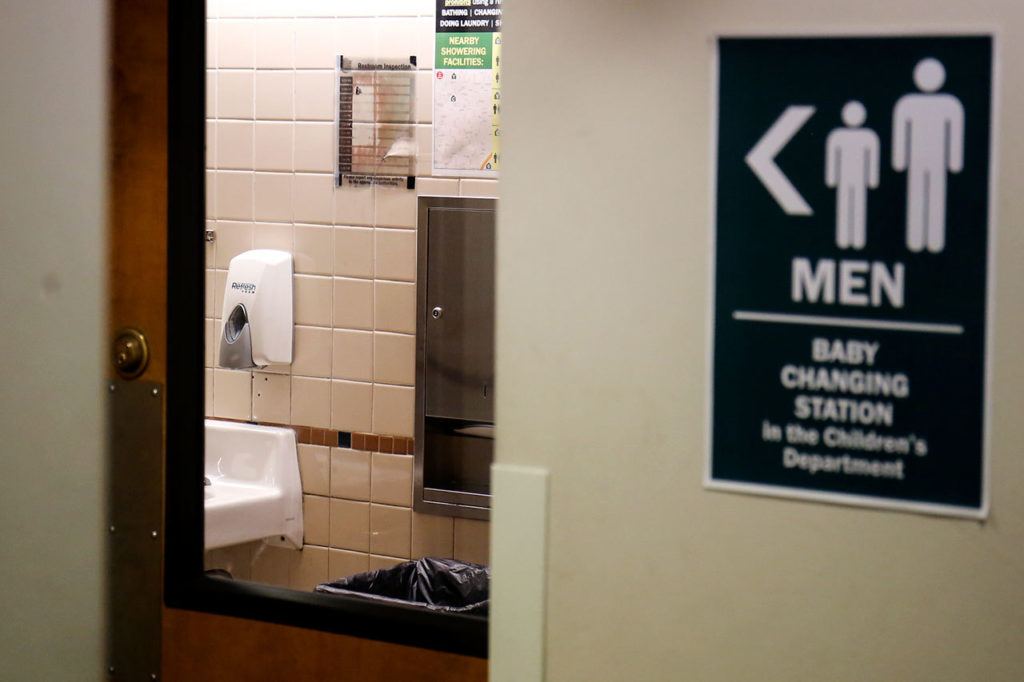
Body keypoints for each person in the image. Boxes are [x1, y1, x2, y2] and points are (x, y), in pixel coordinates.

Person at [892, 58, 964, 254]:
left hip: (938, 162)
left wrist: (954, 162)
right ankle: (915, 240)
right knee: (916, 196)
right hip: (915, 162)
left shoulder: (951, 105)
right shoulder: (906, 104)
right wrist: (899, 161)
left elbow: (955, 133)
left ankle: (934, 241)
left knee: (936, 197)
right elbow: (901, 134)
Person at [825, 101, 880, 249]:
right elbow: (833, 158)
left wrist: (872, 180)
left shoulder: (870, 137)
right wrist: (831, 179)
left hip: (860, 179)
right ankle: (843, 239)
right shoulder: (836, 136)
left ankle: (858, 240)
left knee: (859, 206)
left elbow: (872, 160)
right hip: (843, 179)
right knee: (844, 206)